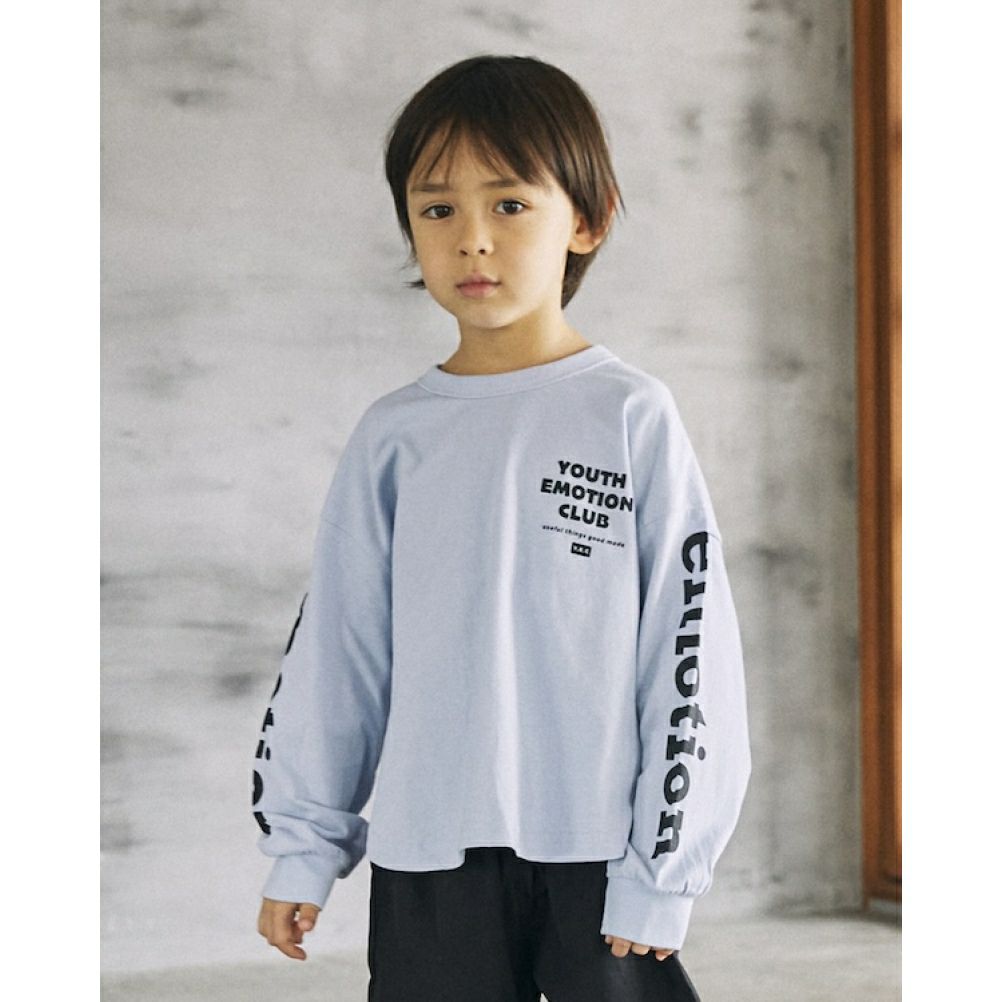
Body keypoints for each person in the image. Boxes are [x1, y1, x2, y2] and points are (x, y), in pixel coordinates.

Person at [252, 54, 751, 1002]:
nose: (472, 239)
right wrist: (304, 847)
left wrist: (662, 871)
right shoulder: (394, 437)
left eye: (511, 204)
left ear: (587, 219)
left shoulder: (629, 414)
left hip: (599, 849)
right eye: (438, 209)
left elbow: (688, 650)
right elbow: (337, 653)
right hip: (429, 856)